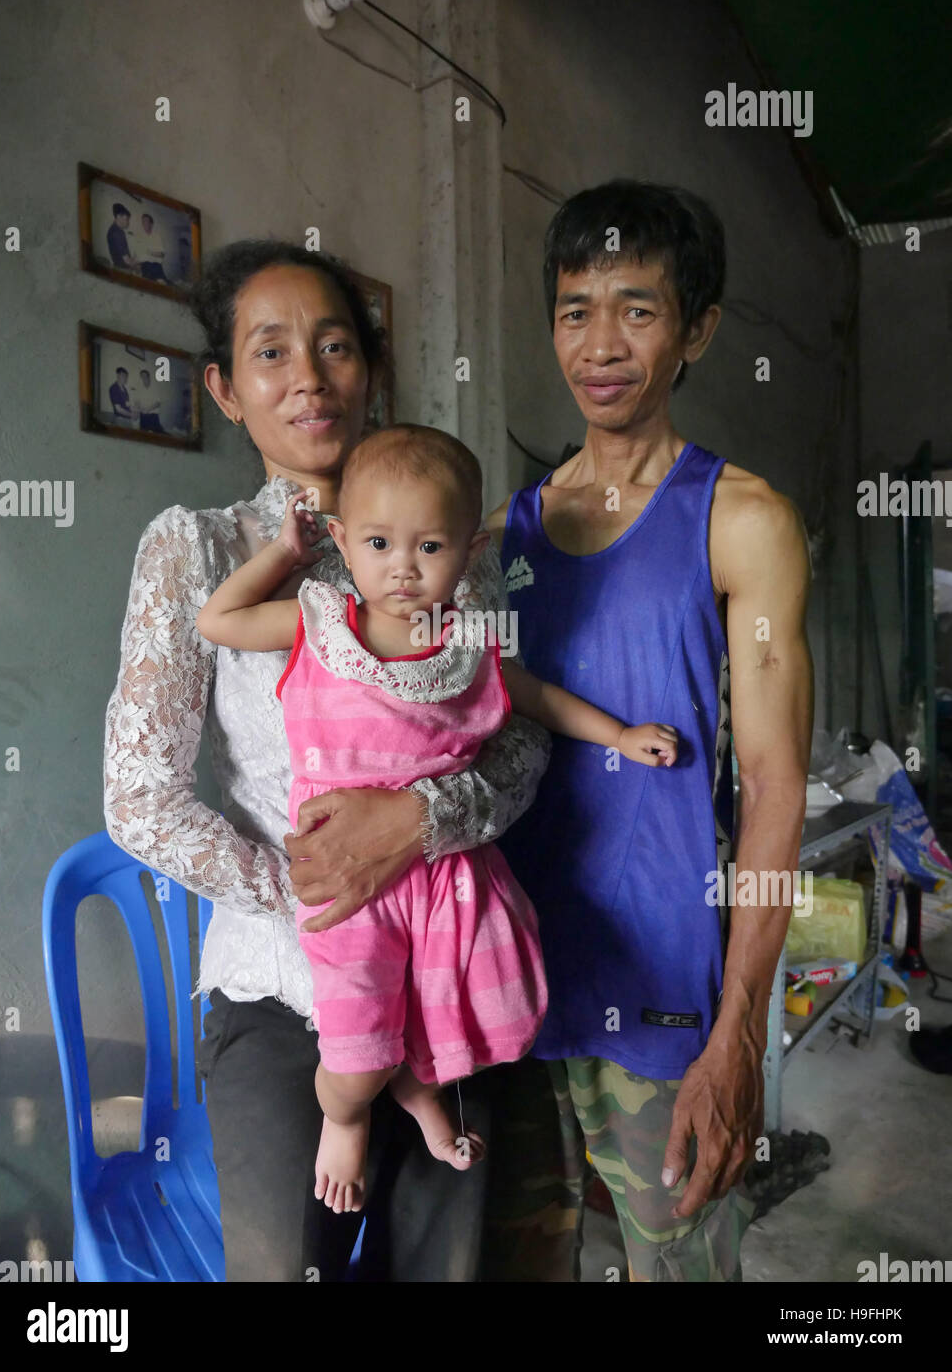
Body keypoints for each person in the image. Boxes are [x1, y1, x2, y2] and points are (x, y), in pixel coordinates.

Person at [103, 240, 555, 1282]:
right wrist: (316, 892)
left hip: (446, 966)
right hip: (277, 985)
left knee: (445, 1267)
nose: (308, 374)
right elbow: (140, 798)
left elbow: (523, 740)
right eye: (270, 353)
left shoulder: (445, 548)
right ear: (224, 388)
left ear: (369, 371)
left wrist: (423, 824)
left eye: (335, 345)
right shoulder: (201, 550)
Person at [196, 424, 678, 1215]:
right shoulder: (317, 626)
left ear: (469, 549)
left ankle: (420, 1099)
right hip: (346, 881)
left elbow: (538, 701)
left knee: (451, 1012)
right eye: (380, 542)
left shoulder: (468, 646)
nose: (404, 567)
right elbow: (219, 621)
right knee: (355, 1053)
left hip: (445, 872)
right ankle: (345, 1118)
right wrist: (283, 555)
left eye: (430, 546)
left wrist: (620, 735)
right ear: (345, 542)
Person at [486, 178, 814, 1282]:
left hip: (665, 986)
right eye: (577, 309)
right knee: (519, 1258)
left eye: (638, 307)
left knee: (676, 1267)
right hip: (507, 972)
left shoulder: (741, 518)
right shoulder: (498, 535)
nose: (602, 342)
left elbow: (773, 783)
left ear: (698, 332)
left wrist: (740, 1028)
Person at [136, 212, 170, 283]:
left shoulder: (157, 237)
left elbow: (162, 254)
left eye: (146, 221)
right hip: (145, 267)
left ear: (151, 224)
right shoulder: (139, 236)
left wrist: (149, 252)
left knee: (164, 284)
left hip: (156, 266)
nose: (144, 223)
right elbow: (137, 253)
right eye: (143, 222)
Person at [106, 203, 139, 272]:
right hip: (123, 270)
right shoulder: (117, 233)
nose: (128, 222)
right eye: (127, 219)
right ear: (118, 216)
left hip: (119, 268)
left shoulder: (113, 230)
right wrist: (138, 265)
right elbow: (127, 262)